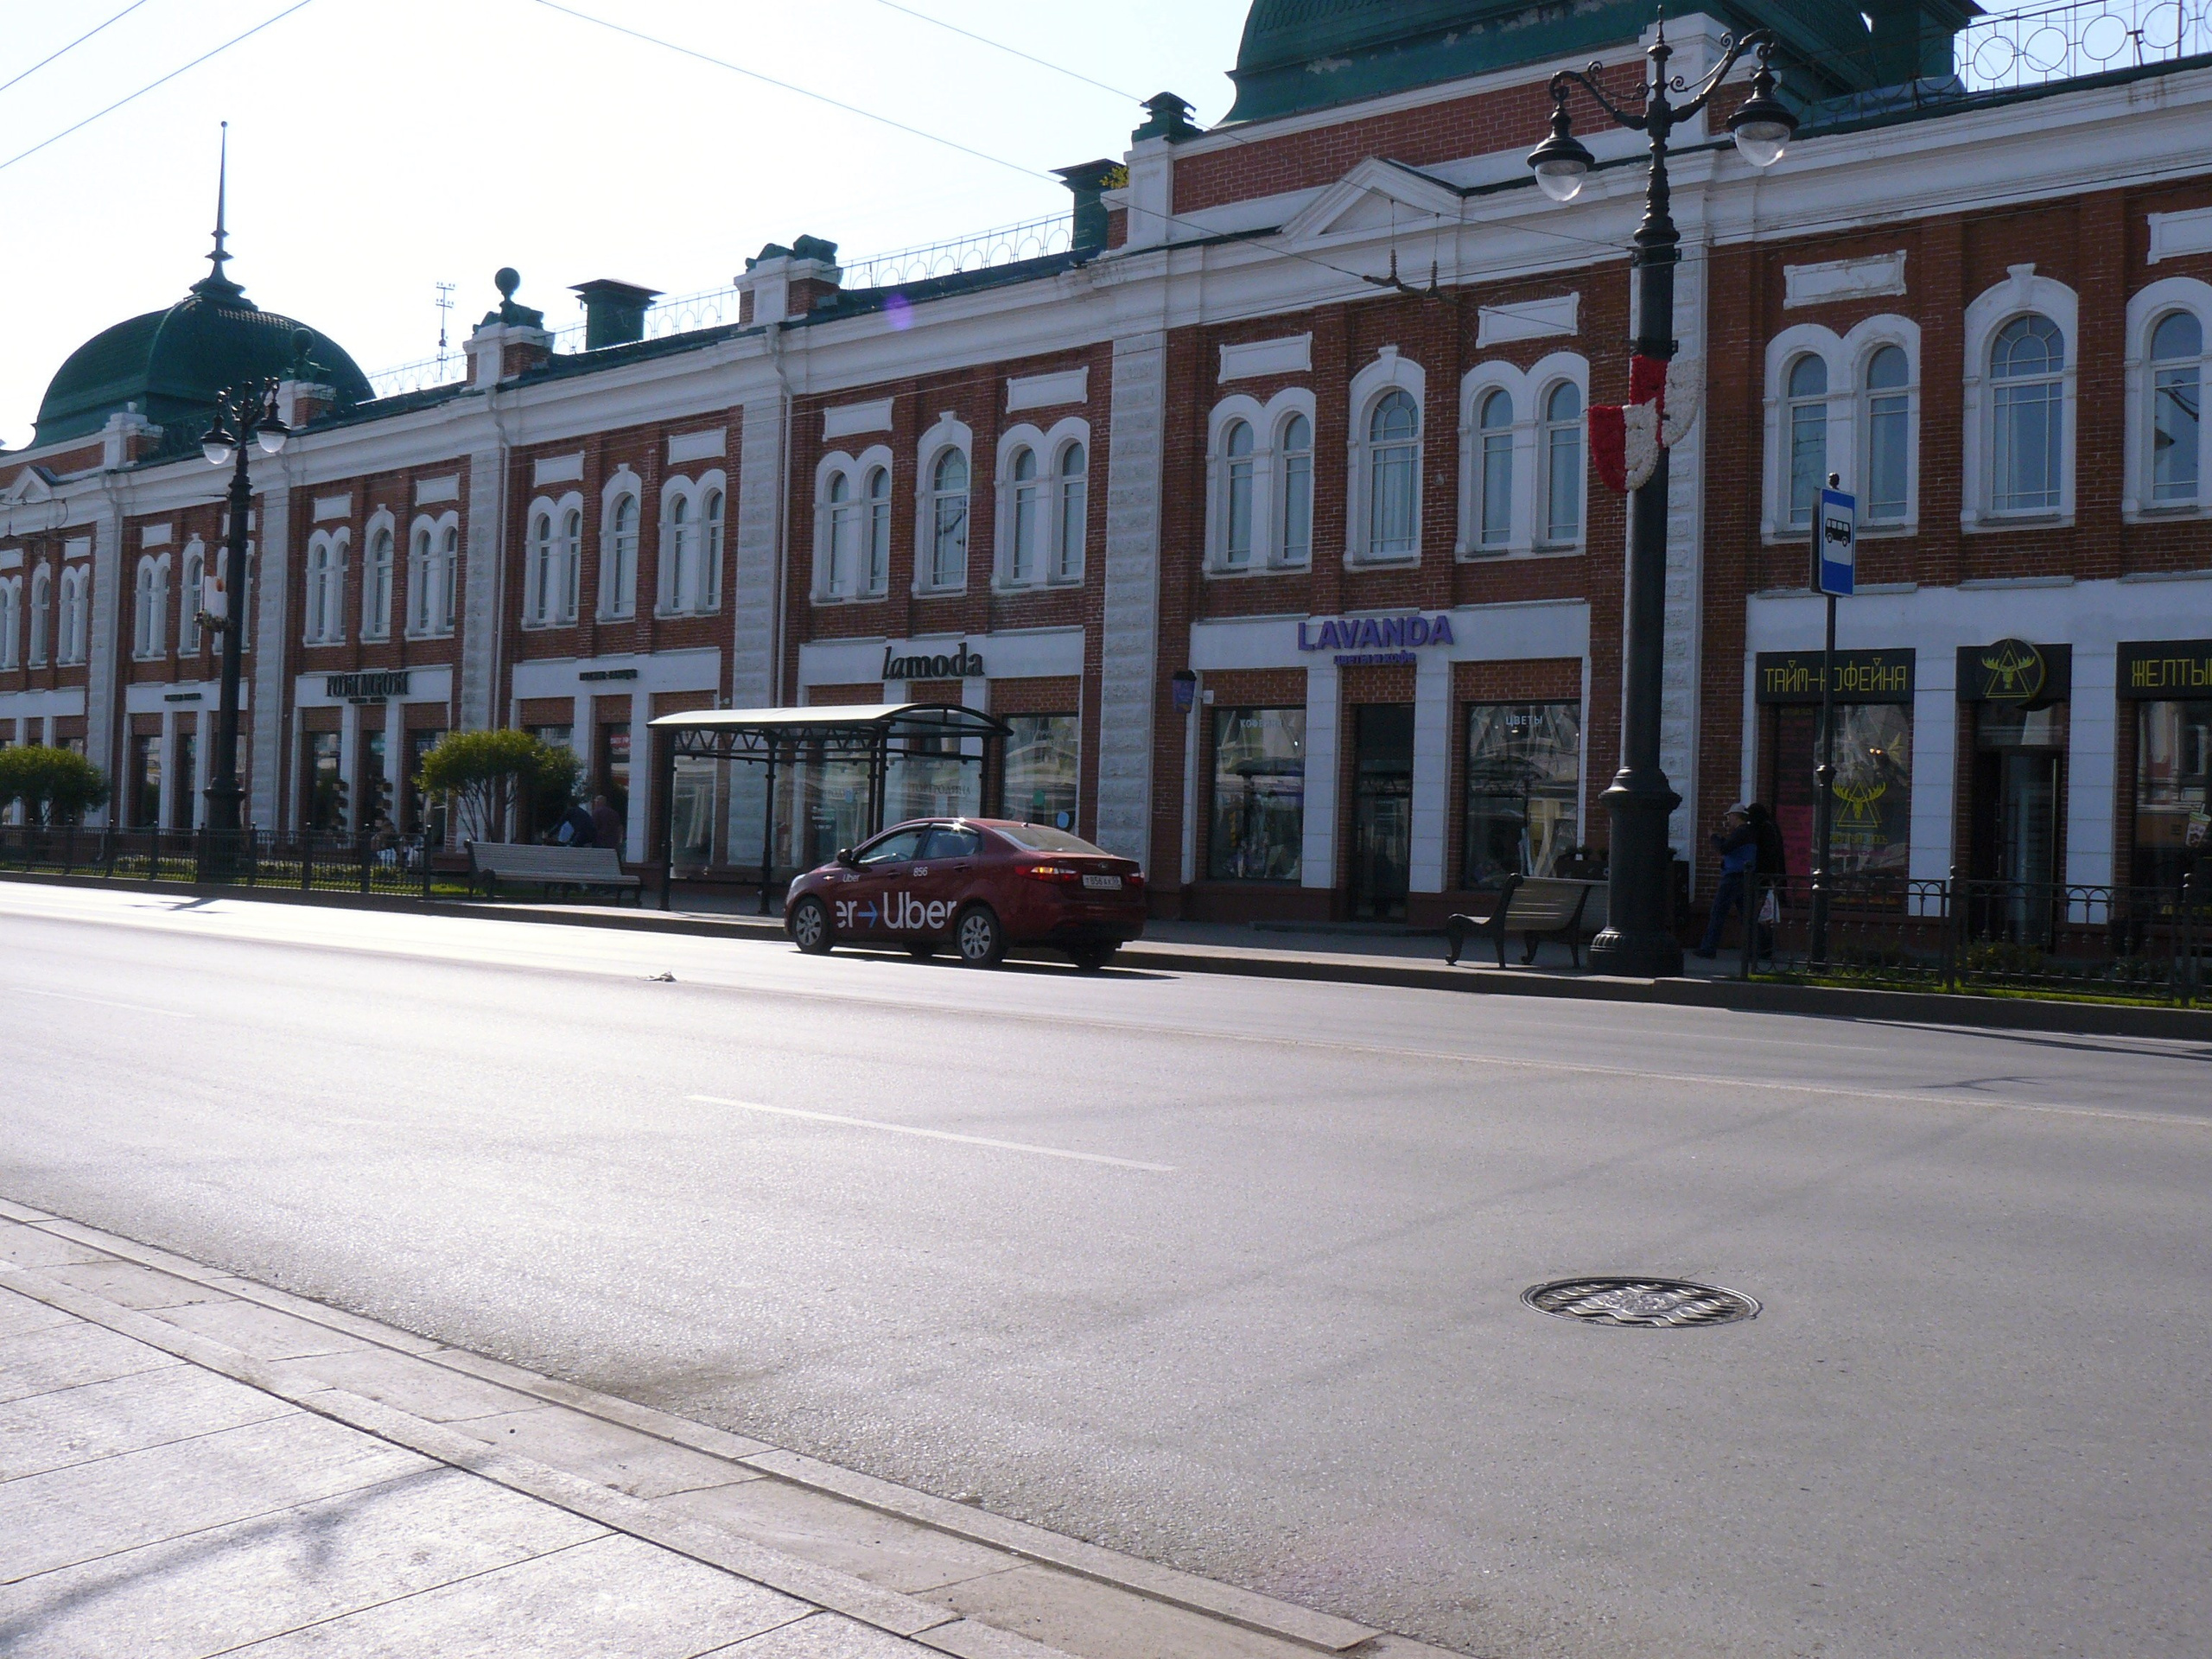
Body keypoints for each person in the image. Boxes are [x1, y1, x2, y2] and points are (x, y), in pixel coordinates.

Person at [1694, 805, 1757, 959]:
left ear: (1736, 816)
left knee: (1718, 912)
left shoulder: (1741, 832)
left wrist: (1714, 837)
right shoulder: (1747, 833)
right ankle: (1757, 949)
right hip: (1745, 877)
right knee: (1746, 915)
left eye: (1730, 816)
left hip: (1733, 878)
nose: (1728, 819)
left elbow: (1724, 848)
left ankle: (1708, 948)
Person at [589, 793, 623, 858]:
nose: (595, 804)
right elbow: (619, 827)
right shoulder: (614, 813)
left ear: (598, 802)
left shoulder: (597, 812)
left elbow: (593, 826)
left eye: (596, 802)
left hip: (600, 840)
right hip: (612, 841)